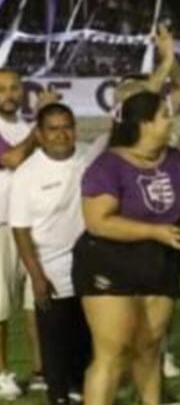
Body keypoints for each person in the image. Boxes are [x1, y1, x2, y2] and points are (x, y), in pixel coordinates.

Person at [74, 91, 180, 405]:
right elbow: (98, 221)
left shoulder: (177, 160)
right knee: (113, 351)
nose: (171, 119)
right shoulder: (108, 165)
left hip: (161, 261)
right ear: (144, 124)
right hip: (109, 261)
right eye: (163, 115)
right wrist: (156, 231)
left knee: (149, 347)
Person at [9, 104, 101, 405]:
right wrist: (36, 276)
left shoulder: (90, 157)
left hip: (90, 264)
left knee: (87, 336)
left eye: (67, 126)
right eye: (53, 128)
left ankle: (83, 389)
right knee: (54, 342)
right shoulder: (26, 174)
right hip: (51, 269)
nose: (61, 134)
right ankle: (58, 394)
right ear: (40, 134)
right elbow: (20, 230)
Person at [0, 69, 47, 398]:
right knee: (0, 308)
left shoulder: (24, 127)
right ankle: (1, 372)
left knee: (38, 301)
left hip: (31, 226)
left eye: (15, 87)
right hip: (0, 226)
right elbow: (13, 158)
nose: (9, 94)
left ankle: (43, 369)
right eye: (1, 88)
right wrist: (39, 126)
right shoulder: (26, 131)